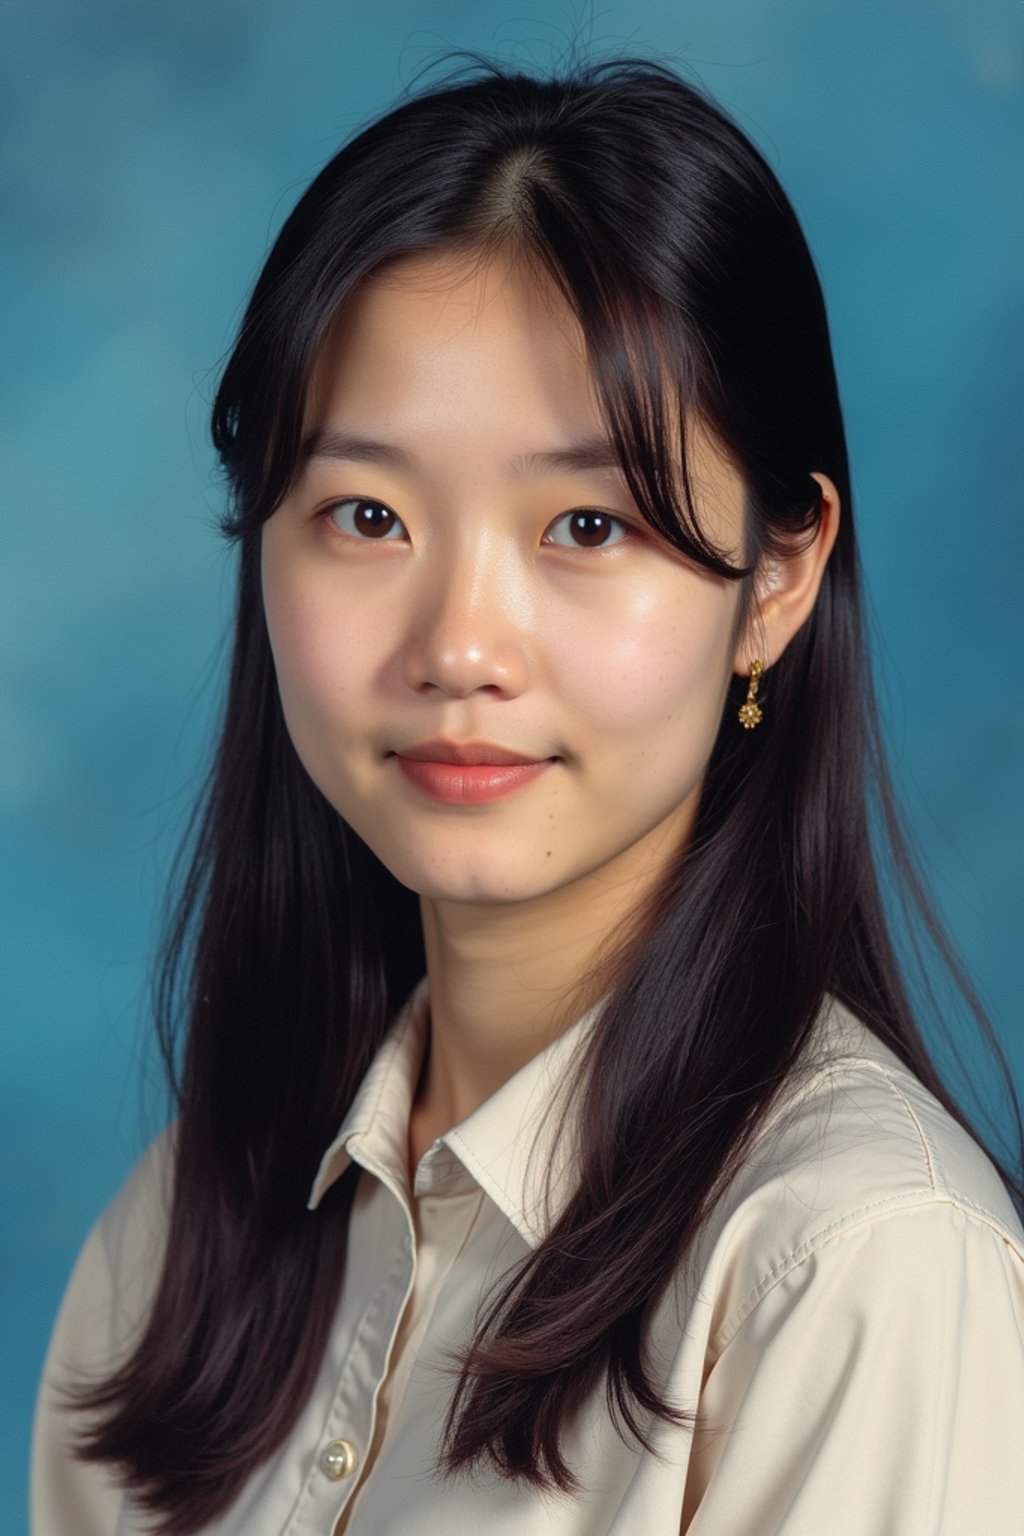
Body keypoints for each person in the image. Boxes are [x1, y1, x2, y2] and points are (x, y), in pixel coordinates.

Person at [31, 57, 1024, 1536]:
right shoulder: (181, 1233)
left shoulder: (858, 1266)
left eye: (587, 523)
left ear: (778, 577)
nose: (459, 649)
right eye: (367, 515)